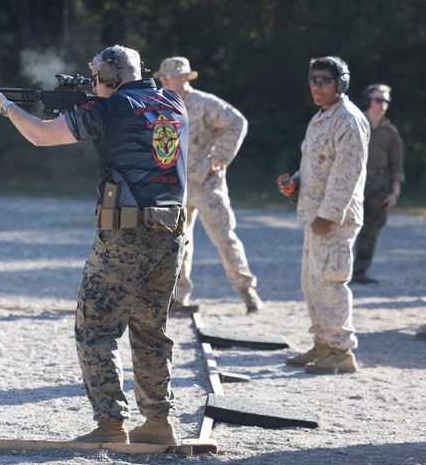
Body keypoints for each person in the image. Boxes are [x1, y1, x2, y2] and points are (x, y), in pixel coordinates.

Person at [0, 45, 188, 445]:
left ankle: (110, 426)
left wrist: (5, 107)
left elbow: (40, 135)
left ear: (111, 74)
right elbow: (128, 118)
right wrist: (82, 100)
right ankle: (159, 423)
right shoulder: (171, 101)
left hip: (127, 234)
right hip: (171, 233)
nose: (93, 83)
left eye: (96, 76)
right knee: (149, 328)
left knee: (95, 328)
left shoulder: (110, 109)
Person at [276, 56, 369, 374]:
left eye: (324, 80)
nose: (317, 86)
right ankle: (323, 343)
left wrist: (327, 215)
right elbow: (313, 166)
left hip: (334, 220)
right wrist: (295, 183)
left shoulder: (348, 119)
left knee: (330, 282)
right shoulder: (321, 118)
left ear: (340, 83)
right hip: (314, 216)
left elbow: (348, 172)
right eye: (313, 80)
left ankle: (342, 350)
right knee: (311, 283)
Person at [156, 56, 262, 315]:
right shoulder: (159, 105)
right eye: (163, 77)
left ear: (184, 78)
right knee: (176, 241)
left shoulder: (204, 103)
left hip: (207, 183)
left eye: (170, 77)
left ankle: (246, 290)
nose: (165, 81)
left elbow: (237, 122)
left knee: (224, 237)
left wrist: (220, 156)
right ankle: (178, 297)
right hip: (174, 185)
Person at [351, 84, 404, 284]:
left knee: (371, 229)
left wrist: (394, 194)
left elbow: (396, 165)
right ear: (368, 101)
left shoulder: (390, 133)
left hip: (379, 185)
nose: (383, 104)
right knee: (346, 227)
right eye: (378, 100)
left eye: (386, 101)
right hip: (354, 181)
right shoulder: (354, 123)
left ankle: (360, 272)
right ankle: (341, 270)